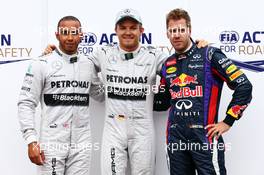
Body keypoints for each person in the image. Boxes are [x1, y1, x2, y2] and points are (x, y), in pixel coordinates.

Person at [43, 9, 208, 175]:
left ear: (141, 31)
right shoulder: (103, 53)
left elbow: (181, 65)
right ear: (116, 31)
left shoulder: (154, 56)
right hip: (113, 130)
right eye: (123, 28)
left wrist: (198, 48)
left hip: (143, 130)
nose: (128, 32)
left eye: (133, 28)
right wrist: (55, 54)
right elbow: (75, 63)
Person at [154, 8, 253, 175]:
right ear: (167, 34)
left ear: (189, 30)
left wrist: (228, 121)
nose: (177, 35)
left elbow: (244, 86)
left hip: (205, 139)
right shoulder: (167, 64)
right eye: (172, 31)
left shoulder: (210, 54)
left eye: (181, 30)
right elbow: (163, 102)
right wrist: (134, 96)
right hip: (176, 140)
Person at [18, 16, 104, 175]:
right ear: (57, 35)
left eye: (74, 33)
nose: (70, 38)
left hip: (82, 143)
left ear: (81, 35)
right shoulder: (41, 63)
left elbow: (100, 96)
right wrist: (31, 141)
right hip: (51, 142)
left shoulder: (88, 64)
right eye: (65, 33)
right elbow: (26, 103)